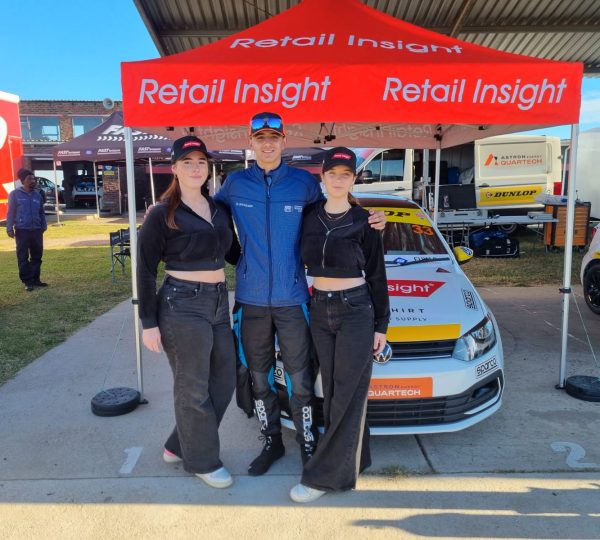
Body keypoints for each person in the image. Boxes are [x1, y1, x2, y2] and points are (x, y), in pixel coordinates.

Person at [215, 112, 386, 477]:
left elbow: (333, 213)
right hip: (251, 298)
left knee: (300, 377)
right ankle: (271, 441)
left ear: (284, 140)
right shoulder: (234, 184)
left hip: (294, 298)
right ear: (250, 141)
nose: (267, 144)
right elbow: (211, 219)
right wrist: (235, 256)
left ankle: (308, 442)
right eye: (260, 138)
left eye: (273, 137)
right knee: (259, 375)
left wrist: (369, 218)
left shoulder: (304, 184)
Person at [137, 135, 239, 489]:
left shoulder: (219, 209)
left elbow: (234, 254)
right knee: (192, 386)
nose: (196, 168)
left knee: (225, 380)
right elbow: (145, 270)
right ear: (175, 168)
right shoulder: (161, 213)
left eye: (201, 162)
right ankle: (202, 461)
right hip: (181, 304)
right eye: (187, 162)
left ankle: (179, 445)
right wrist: (148, 323)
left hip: (218, 302)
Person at [290, 147, 390, 503]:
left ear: (353, 179)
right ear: (323, 176)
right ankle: (356, 459)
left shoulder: (366, 220)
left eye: (345, 174)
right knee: (333, 390)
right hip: (320, 307)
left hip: (355, 309)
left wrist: (381, 325)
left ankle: (325, 477)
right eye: (332, 173)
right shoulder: (309, 216)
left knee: (348, 391)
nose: (337, 179)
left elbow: (377, 274)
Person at [6, 168, 48, 291]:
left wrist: (43, 226)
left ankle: (35, 279)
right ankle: (27, 281)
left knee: (37, 256)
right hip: (22, 230)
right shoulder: (14, 194)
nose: (32, 181)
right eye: (29, 179)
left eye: (33, 179)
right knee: (23, 257)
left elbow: (41, 212)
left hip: (37, 230)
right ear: (22, 180)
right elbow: (10, 212)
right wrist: (9, 228)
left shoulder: (38, 195)